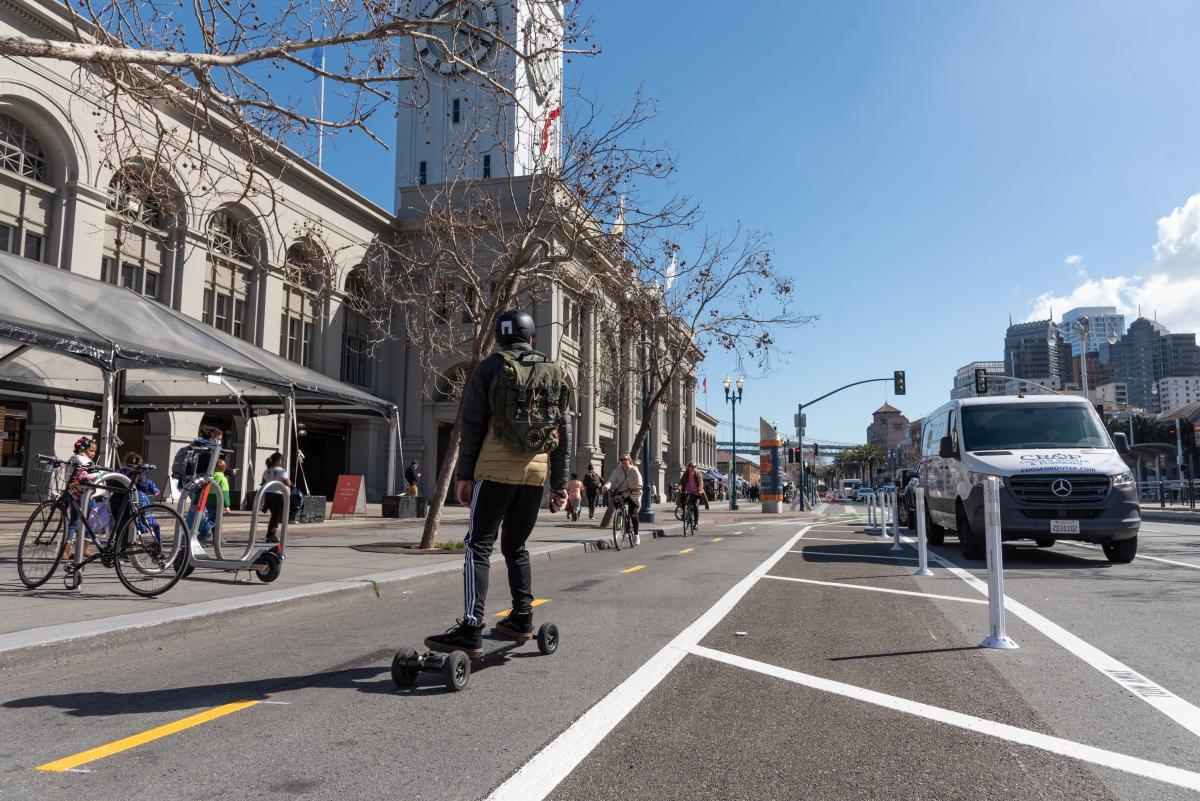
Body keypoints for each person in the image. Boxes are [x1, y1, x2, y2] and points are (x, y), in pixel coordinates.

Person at [424, 310, 572, 657]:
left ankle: (471, 627)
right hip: (534, 476)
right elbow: (562, 433)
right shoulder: (553, 371)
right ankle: (522, 617)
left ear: (498, 338)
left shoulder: (489, 368)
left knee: (478, 546)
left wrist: (465, 476)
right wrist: (560, 485)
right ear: (531, 337)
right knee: (516, 547)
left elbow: (471, 425)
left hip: (493, 473)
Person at [602, 452, 643, 544]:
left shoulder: (634, 470)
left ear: (629, 460)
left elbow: (639, 478)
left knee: (633, 513)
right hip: (623, 492)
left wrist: (639, 486)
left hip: (634, 492)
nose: (623, 461)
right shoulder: (617, 471)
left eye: (625, 459)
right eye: (621, 460)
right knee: (616, 499)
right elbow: (611, 480)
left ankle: (636, 535)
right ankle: (620, 515)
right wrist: (606, 486)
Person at [260, 452, 292, 543]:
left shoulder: (267, 471)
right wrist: (291, 484)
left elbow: (263, 482)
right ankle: (271, 535)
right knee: (276, 516)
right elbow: (287, 482)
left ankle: (270, 533)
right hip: (278, 495)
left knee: (274, 515)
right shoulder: (281, 470)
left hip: (268, 495)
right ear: (279, 461)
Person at [676, 462, 709, 529]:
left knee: (695, 506)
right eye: (692, 466)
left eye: (694, 466)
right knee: (681, 499)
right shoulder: (686, 474)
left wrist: (700, 490)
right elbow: (681, 482)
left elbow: (700, 483)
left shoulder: (698, 474)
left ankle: (696, 523)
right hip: (687, 492)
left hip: (696, 493)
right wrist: (678, 489)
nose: (693, 468)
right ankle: (685, 512)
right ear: (689, 467)